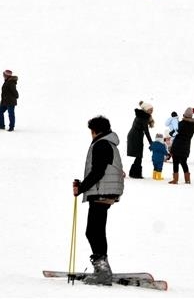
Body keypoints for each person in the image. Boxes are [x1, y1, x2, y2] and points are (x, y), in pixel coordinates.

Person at [73, 115, 124, 286]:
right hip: (106, 191)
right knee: (96, 230)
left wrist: (81, 188)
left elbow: (98, 171)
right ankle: (102, 269)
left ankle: (102, 271)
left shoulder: (101, 144)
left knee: (93, 231)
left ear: (95, 131)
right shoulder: (108, 143)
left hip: (102, 192)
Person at [169, 108, 194, 184]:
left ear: (184, 115)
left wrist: (171, 133)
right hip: (186, 146)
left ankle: (175, 179)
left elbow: (173, 133)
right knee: (184, 162)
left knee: (175, 162)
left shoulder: (181, 123)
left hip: (177, 145)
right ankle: (187, 180)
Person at [126, 101, 154, 178]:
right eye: (150, 110)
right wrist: (151, 142)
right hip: (135, 137)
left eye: (152, 110)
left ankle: (134, 173)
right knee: (139, 155)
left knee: (139, 155)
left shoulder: (141, 115)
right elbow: (146, 131)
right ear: (146, 110)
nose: (152, 111)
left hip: (135, 135)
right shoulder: (143, 118)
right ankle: (136, 174)